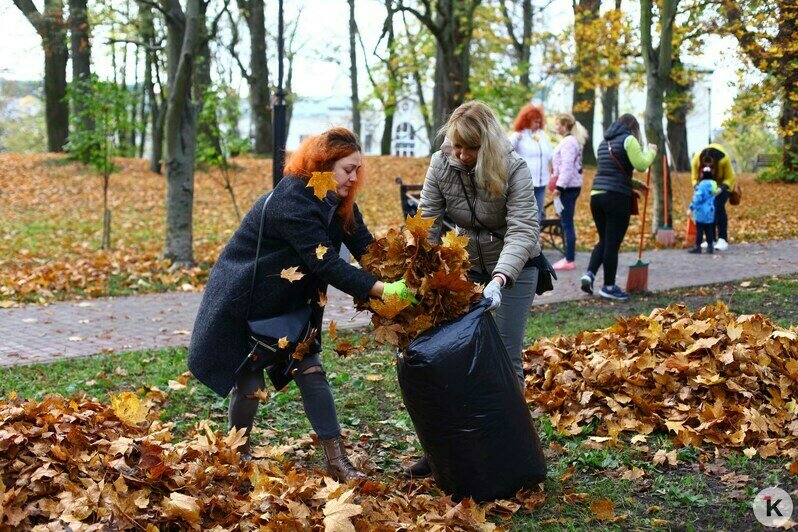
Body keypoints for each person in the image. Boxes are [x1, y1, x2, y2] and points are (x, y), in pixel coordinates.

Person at [188, 128, 414, 482]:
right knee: (248, 387)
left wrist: (405, 273)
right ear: (322, 165)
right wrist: (383, 290)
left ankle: (337, 462)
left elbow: (365, 247)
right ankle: (237, 451)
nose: (354, 177)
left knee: (311, 371)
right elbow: (325, 262)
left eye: (357, 169)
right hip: (246, 301)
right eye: (347, 169)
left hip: (289, 304)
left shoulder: (338, 201)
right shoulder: (292, 200)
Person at [411, 100, 541, 478]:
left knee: (504, 357)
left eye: (471, 148)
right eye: (457, 146)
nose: (462, 155)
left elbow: (523, 229)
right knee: (447, 356)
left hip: (515, 267)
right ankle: (442, 448)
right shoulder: (441, 164)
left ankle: (514, 450)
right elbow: (428, 223)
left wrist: (500, 279)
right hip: (466, 263)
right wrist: (415, 274)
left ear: (486, 146)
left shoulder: (512, 167)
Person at [581, 114, 656, 300]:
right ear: (633, 128)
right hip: (616, 198)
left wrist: (636, 185)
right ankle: (608, 286)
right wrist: (652, 151)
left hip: (596, 196)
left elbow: (613, 172)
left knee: (605, 239)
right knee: (612, 243)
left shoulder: (603, 142)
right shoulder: (629, 140)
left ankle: (589, 274)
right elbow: (641, 165)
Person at [548, 113, 589, 271]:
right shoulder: (571, 141)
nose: (556, 127)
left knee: (567, 224)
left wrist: (559, 187)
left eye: (558, 124)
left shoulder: (568, 143)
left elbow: (567, 167)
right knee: (566, 222)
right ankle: (568, 257)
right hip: (571, 187)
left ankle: (569, 259)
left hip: (567, 188)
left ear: (565, 126)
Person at [510, 104, 553, 222]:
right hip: (525, 183)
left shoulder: (542, 136)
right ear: (527, 121)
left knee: (538, 212)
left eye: (539, 122)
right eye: (535, 121)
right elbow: (505, 150)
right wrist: (515, 138)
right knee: (524, 214)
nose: (538, 124)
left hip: (541, 182)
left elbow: (550, 155)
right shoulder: (519, 135)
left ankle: (535, 239)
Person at [691, 144, 736, 251]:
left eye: (711, 166)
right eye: (705, 165)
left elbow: (730, 178)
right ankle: (711, 239)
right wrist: (697, 187)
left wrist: (721, 189)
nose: (708, 169)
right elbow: (693, 177)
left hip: (723, 186)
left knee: (718, 206)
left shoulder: (724, 160)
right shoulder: (697, 159)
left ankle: (722, 238)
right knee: (707, 211)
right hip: (705, 187)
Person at [688, 156, 720, 254]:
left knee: (700, 231)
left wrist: (691, 208)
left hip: (701, 212)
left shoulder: (701, 186)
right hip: (710, 211)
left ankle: (698, 247)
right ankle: (710, 246)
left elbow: (698, 199)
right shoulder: (714, 184)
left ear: (703, 175)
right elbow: (715, 193)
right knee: (709, 229)